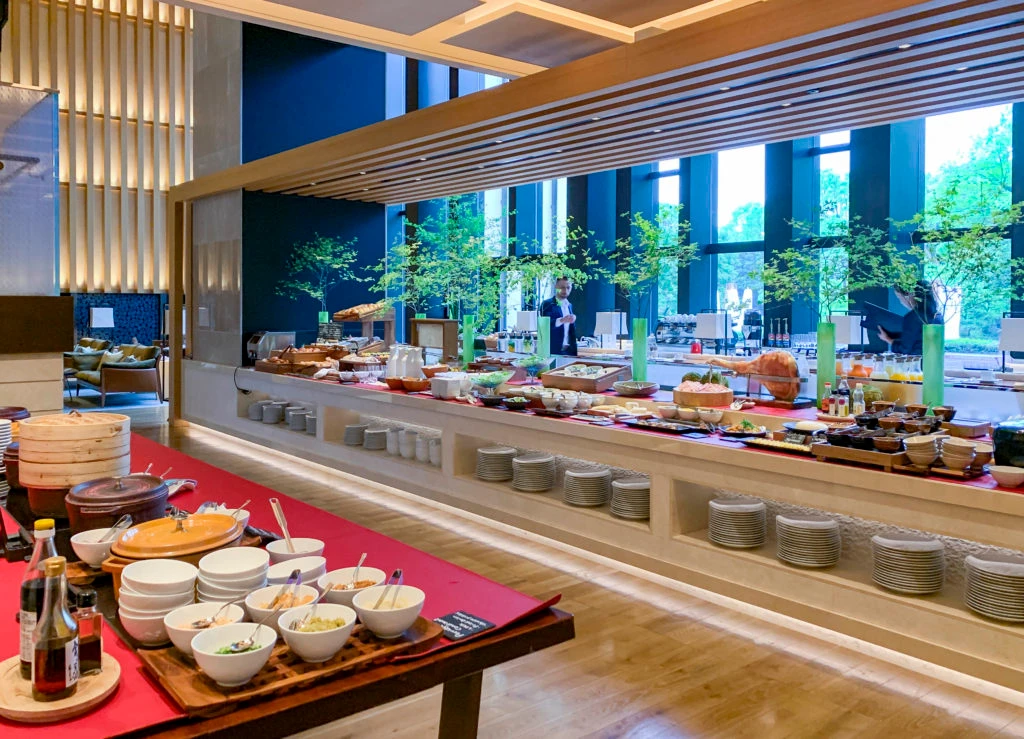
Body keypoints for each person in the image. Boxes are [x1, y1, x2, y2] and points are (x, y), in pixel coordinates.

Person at [878, 279, 940, 354]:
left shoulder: (913, 317)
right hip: (934, 361)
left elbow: (904, 349)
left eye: (899, 297)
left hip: (917, 362)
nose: (901, 302)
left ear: (909, 294)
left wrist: (887, 339)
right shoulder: (937, 315)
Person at [539, 276, 577, 356]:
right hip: (553, 351)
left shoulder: (569, 305)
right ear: (556, 287)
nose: (565, 290)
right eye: (562, 287)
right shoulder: (548, 304)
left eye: (568, 288)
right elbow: (545, 326)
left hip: (569, 351)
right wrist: (562, 320)